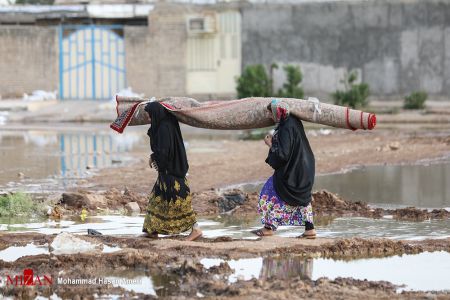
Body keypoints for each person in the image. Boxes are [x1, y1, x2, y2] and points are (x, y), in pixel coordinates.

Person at [252, 99, 316, 239]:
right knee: (304, 198)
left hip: (295, 169)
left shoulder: (286, 126)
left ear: (277, 112)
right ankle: (309, 229)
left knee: (268, 192)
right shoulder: (292, 121)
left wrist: (270, 144)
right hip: (305, 165)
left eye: (271, 113)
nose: (270, 116)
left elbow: (283, 154)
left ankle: (269, 227)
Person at [142, 101, 202, 241]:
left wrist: (155, 158)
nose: (149, 119)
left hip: (172, 173)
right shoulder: (167, 123)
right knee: (156, 200)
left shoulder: (164, 128)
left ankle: (196, 229)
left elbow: (164, 152)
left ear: (155, 114)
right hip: (167, 173)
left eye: (150, 116)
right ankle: (153, 230)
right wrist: (154, 157)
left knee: (179, 202)